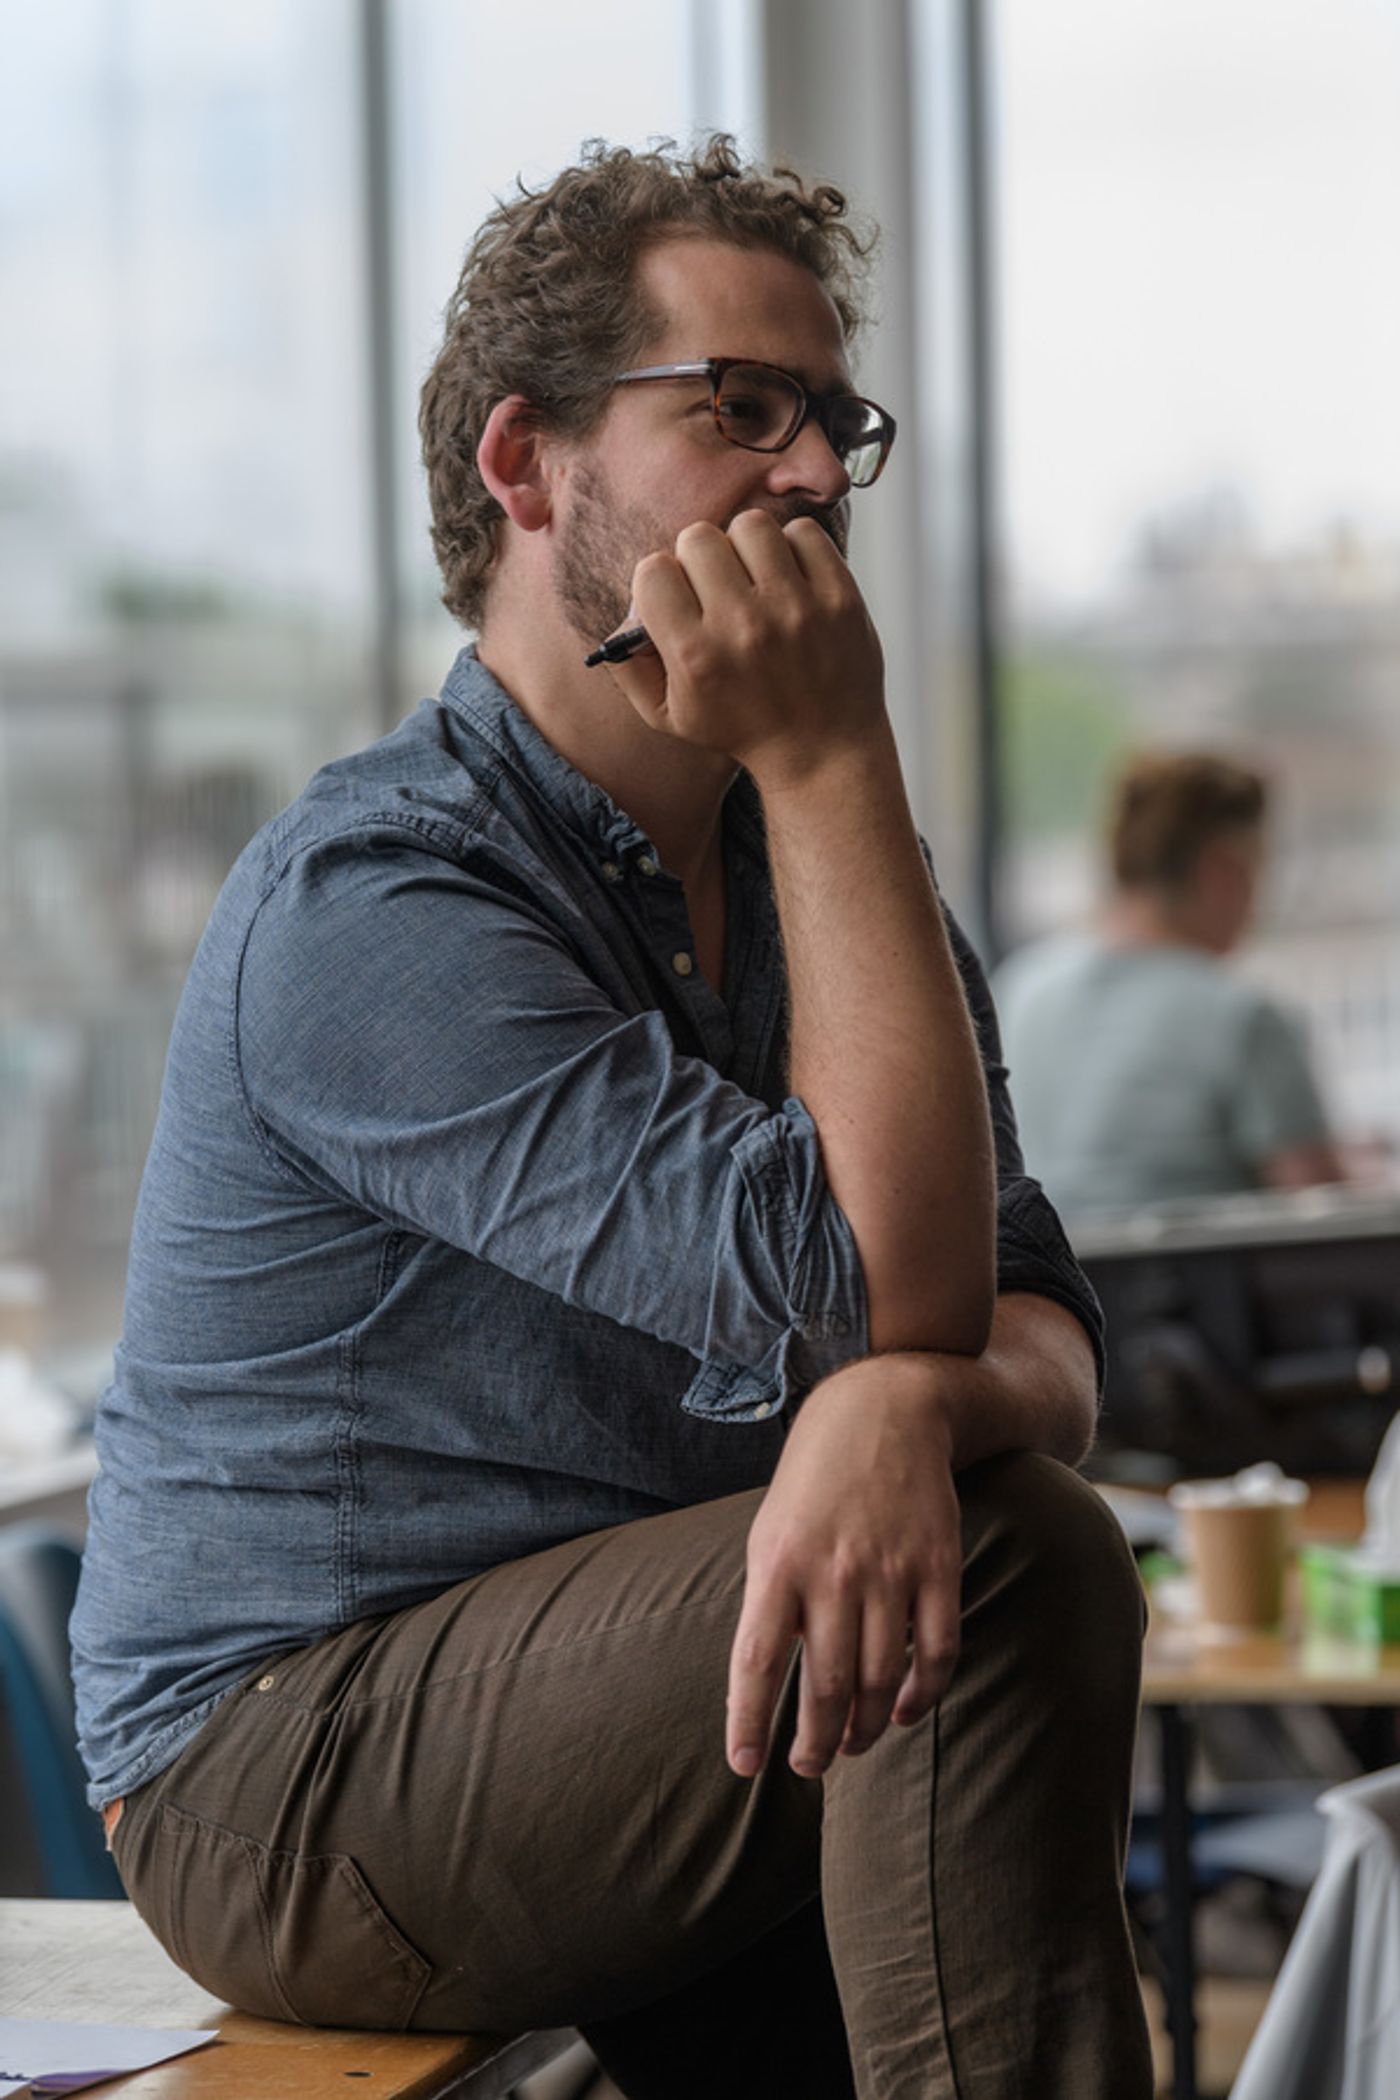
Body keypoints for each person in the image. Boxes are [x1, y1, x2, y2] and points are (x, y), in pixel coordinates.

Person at [72, 138, 1152, 2099]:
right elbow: (876, 1281)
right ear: (526, 467)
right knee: (1011, 1569)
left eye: (833, 421)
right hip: (279, 1767)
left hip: (658, 1673)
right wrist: (828, 757)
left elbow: (1047, 1329)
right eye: (737, 410)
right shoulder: (373, 899)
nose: (814, 473)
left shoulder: (830, 871)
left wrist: (908, 1404)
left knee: (968, 1523)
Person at [995, 750, 1343, 1218]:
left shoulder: (1018, 988)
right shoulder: (1241, 1016)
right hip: (1194, 1288)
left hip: (1039, 1284)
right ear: (1223, 871)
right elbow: (1322, 1211)